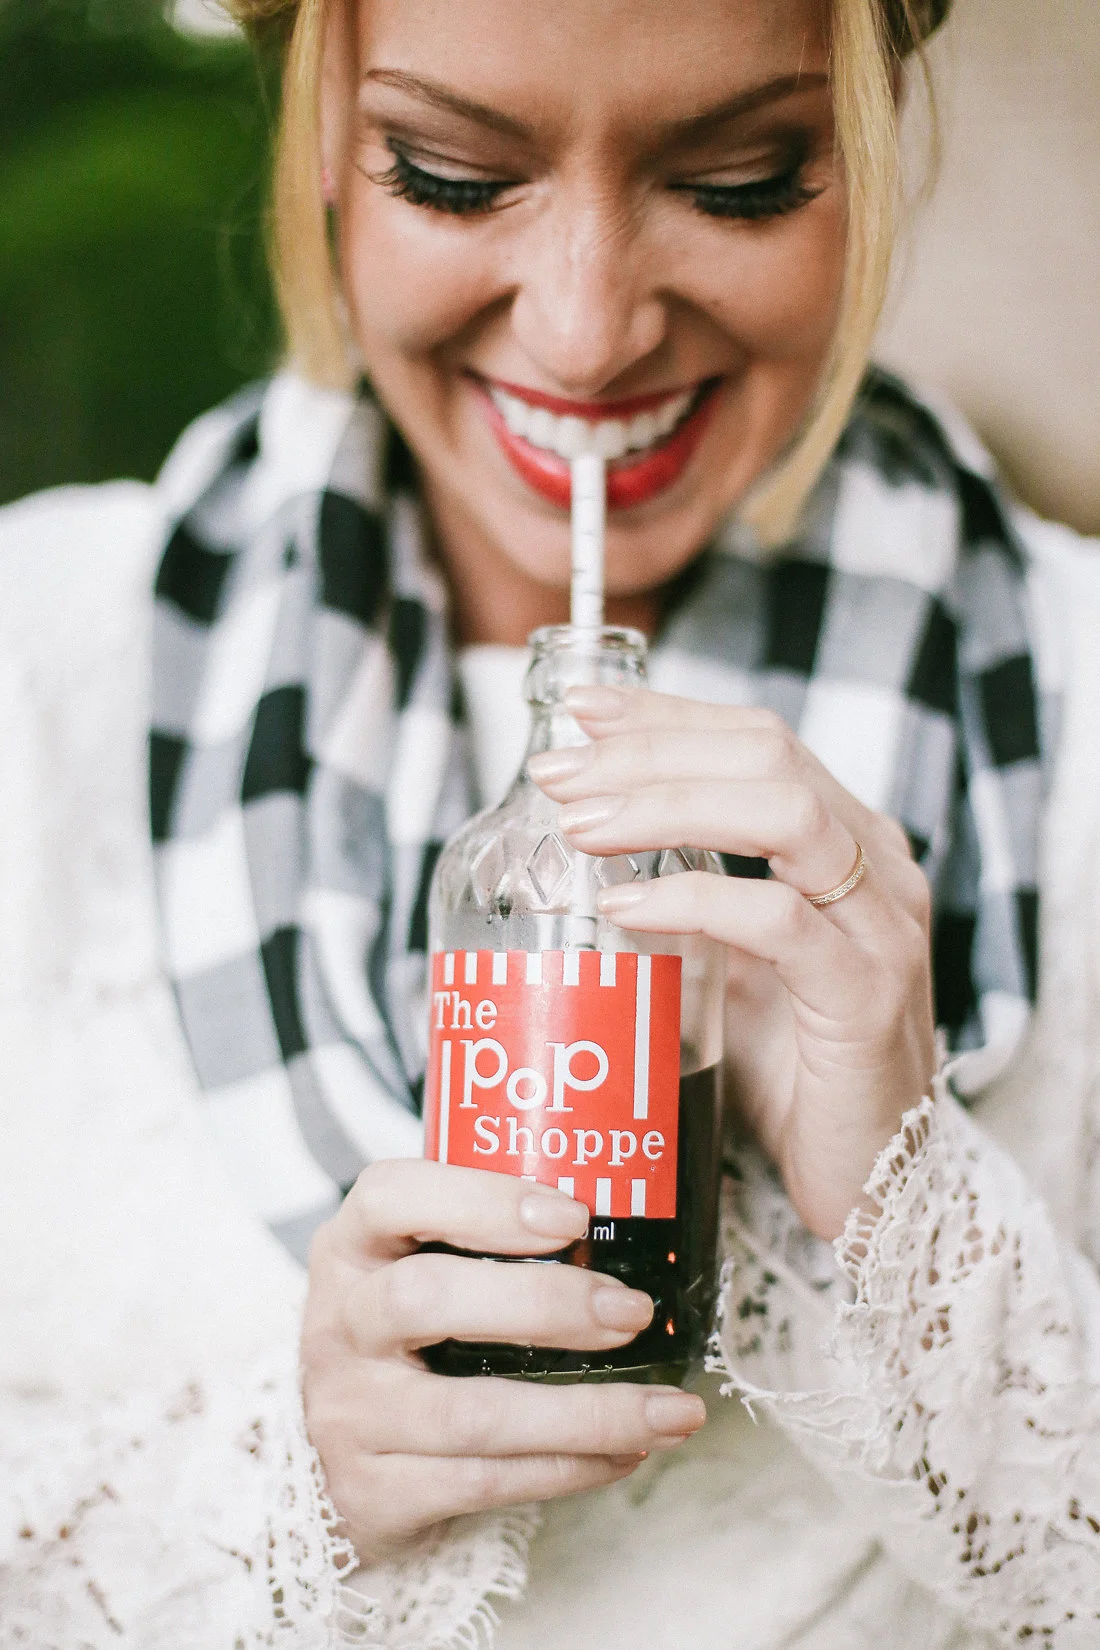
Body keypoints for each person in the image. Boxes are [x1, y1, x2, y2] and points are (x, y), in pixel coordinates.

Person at [2, 0, 1099, 1645]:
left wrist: (909, 1213)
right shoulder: (40, 666)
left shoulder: (1077, 702)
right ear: (316, 125)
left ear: (872, 134)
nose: (588, 335)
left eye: (740, 177)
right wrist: (294, 1486)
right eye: (450, 173)